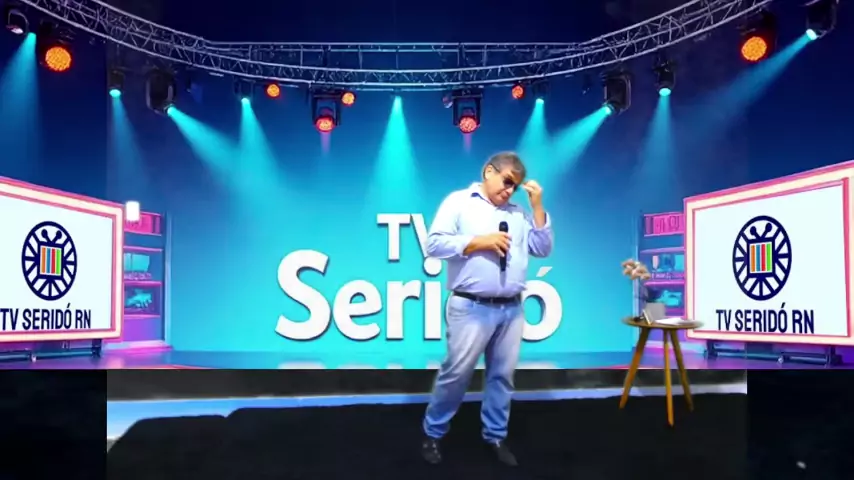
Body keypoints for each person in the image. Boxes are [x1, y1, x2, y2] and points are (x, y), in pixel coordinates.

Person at [419, 152, 553, 467]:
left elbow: (542, 248)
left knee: (502, 377)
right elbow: (433, 244)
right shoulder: (459, 202)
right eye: (507, 181)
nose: (510, 190)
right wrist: (478, 242)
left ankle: (495, 436)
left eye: (515, 186)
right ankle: (433, 433)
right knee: (456, 375)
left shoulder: (519, 213)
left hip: (511, 310)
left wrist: (537, 207)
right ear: (488, 171)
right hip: (471, 306)